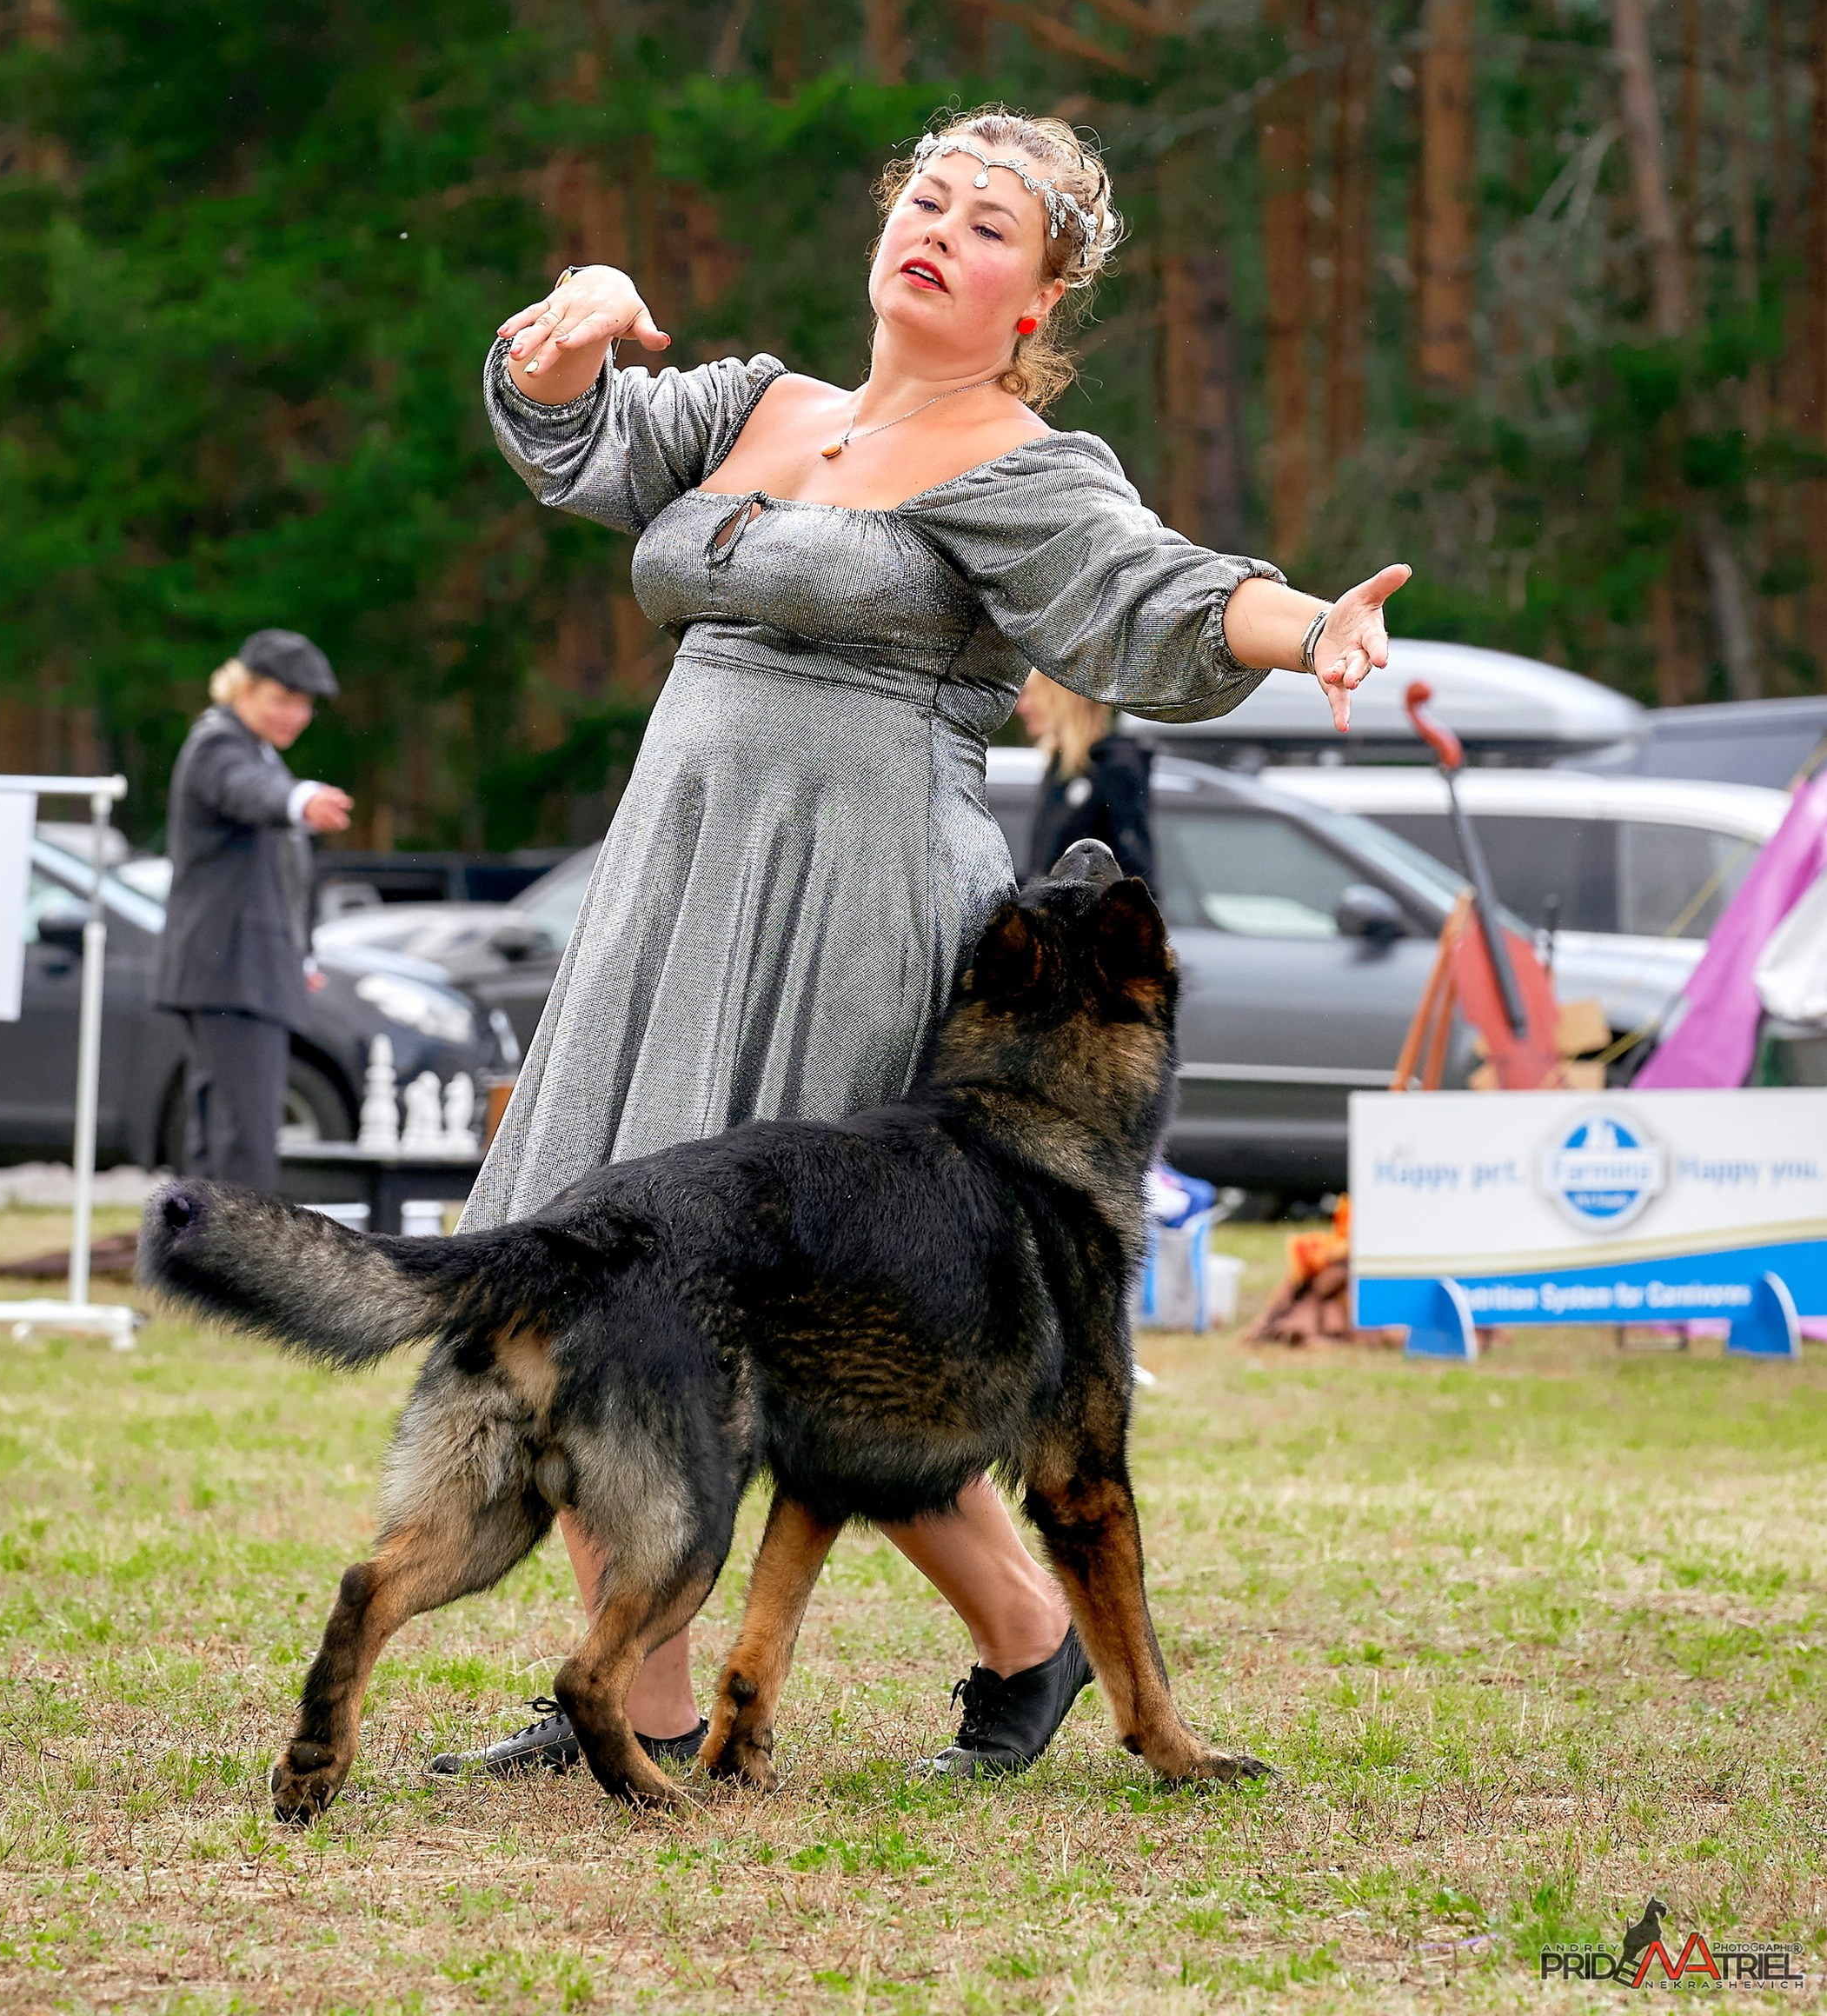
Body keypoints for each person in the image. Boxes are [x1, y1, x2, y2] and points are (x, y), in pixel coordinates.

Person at [435, 106, 1408, 1785]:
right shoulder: (749, 407)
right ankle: (654, 1705)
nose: (939, 230)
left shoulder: (1022, 470)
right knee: (587, 1263)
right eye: (925, 200)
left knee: (809, 1312)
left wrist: (1311, 624)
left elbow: (1162, 595)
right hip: (674, 883)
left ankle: (1020, 1642)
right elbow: (571, 435)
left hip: (861, 893)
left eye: (987, 225)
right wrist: (566, 322)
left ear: (1033, 303)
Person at [156, 629, 355, 1191]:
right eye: (282, 699)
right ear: (242, 689)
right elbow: (250, 793)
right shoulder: (219, 745)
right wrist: (299, 800)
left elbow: (281, 877)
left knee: (219, 1133)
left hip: (240, 971)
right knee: (243, 1139)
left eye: (305, 704)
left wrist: (301, 955)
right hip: (230, 973)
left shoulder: (257, 751)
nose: (296, 715)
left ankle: (197, 1266)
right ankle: (236, 1271)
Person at [1017, 670, 1155, 888]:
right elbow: (1044, 875)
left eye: (1031, 695)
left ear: (1060, 698)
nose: (1022, 707)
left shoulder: (1115, 767)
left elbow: (1135, 877)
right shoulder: (1061, 768)